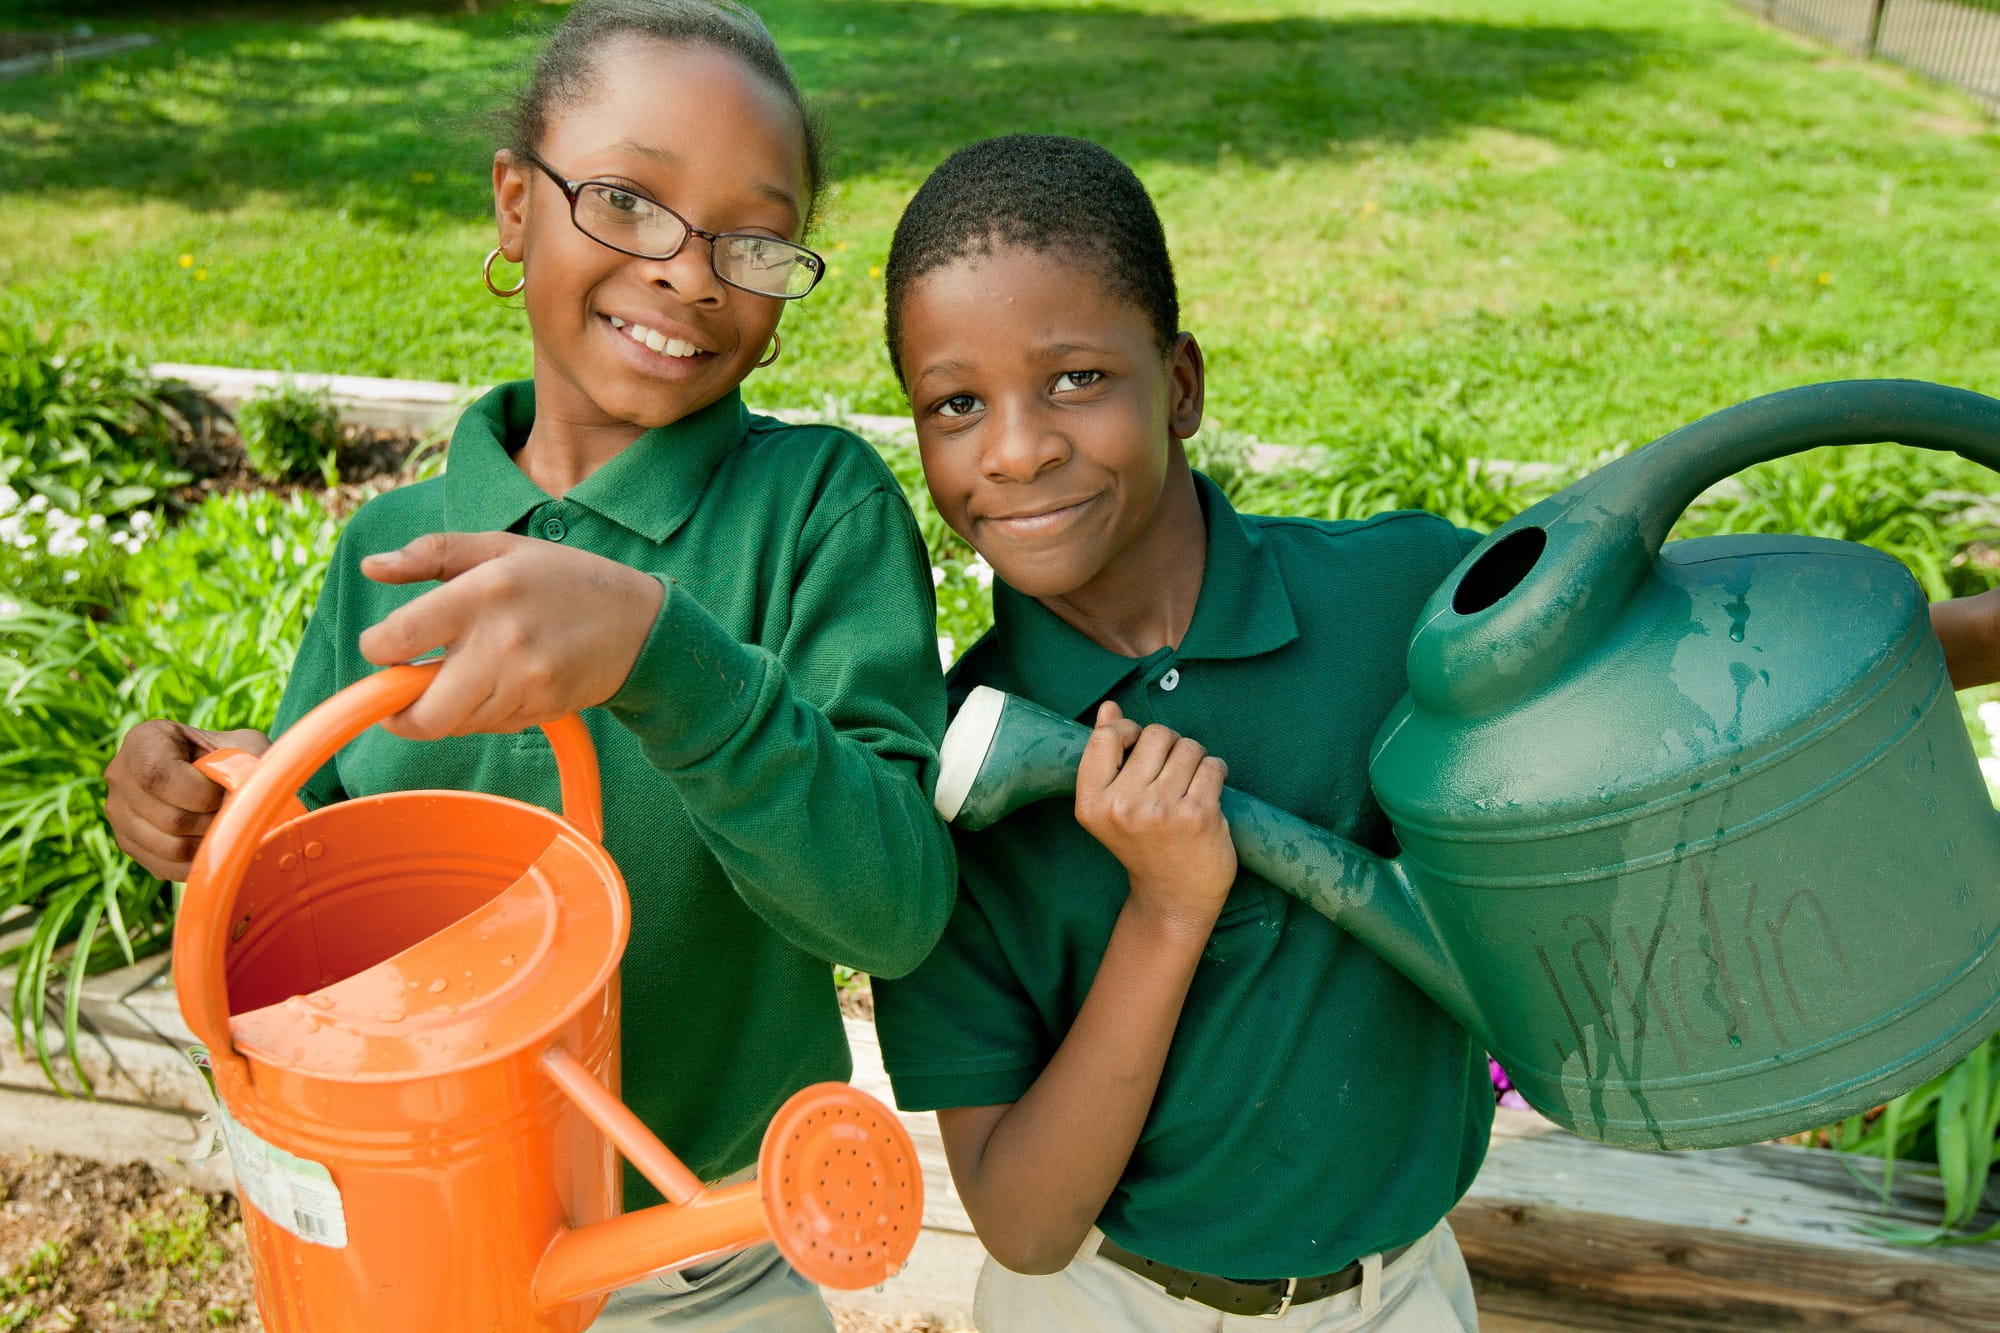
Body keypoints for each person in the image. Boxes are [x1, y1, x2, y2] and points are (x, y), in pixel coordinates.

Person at [868, 133, 2000, 1332]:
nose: (1016, 447)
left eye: (1075, 379)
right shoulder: (956, 782)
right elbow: (1026, 1226)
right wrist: (1165, 908)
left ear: (1182, 383)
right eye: (954, 403)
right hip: (1106, 1306)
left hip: (1396, 1294)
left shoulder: (1395, 602)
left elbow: (1691, 703)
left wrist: (1975, 641)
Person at [103, 4, 954, 1327]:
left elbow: (892, 908)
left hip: (698, 1271)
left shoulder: (815, 514)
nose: (688, 273)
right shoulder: (395, 547)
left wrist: (667, 661)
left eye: (751, 237)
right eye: (627, 200)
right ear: (515, 204)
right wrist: (208, 806)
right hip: (400, 1257)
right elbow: (314, 880)